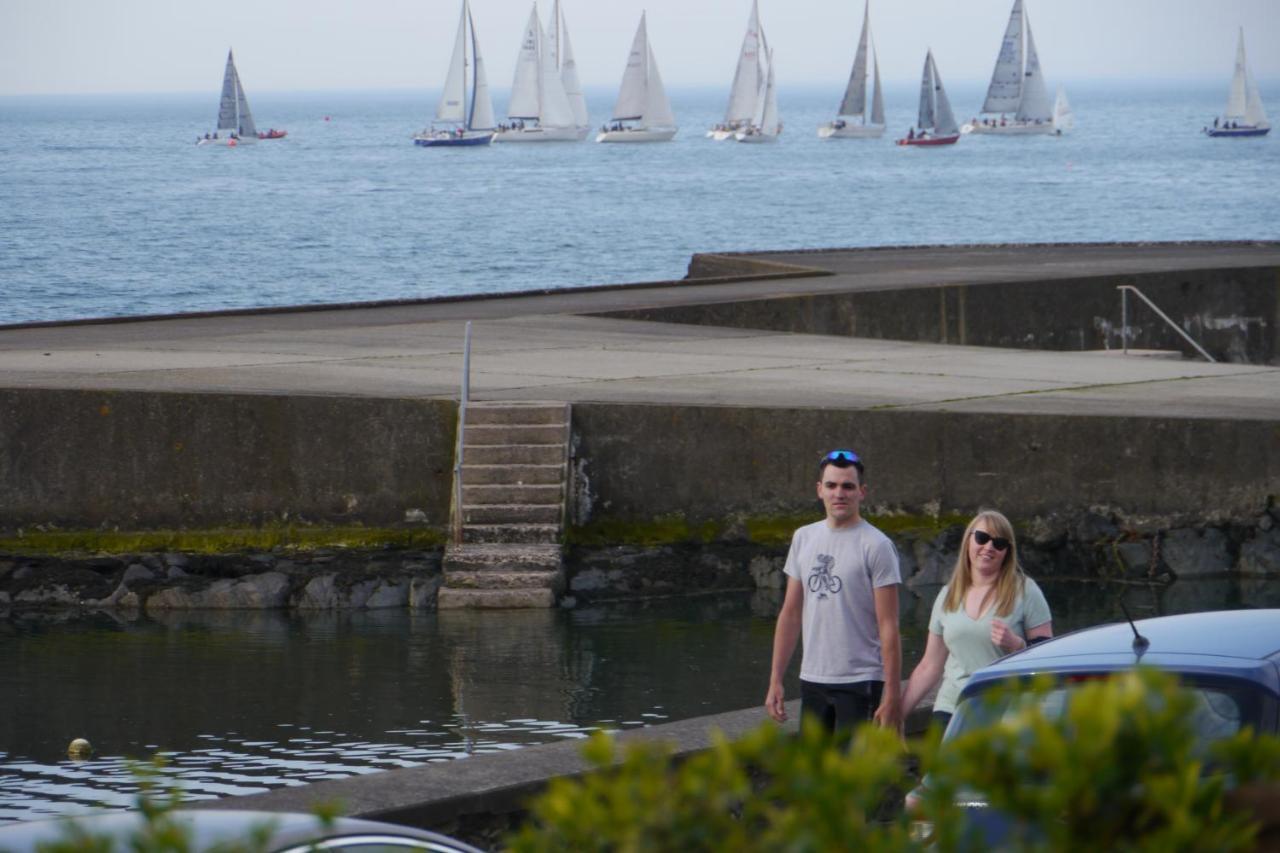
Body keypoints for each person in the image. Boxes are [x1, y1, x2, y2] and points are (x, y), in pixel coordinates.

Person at [766, 449, 903, 733]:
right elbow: (791, 613)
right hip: (813, 678)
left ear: (862, 492)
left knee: (854, 773)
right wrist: (775, 678)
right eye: (831, 485)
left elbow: (888, 625)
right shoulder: (804, 537)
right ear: (820, 490)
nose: (839, 493)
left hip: (861, 680)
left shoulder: (876, 545)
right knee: (814, 772)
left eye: (847, 486)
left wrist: (892, 693)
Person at [901, 509, 1052, 729]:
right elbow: (929, 666)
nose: (989, 547)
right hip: (952, 706)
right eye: (982, 538)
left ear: (1007, 552)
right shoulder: (947, 595)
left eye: (999, 543)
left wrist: (1017, 645)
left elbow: (1049, 656)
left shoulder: (1025, 591)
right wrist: (898, 714)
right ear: (968, 541)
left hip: (1004, 708)